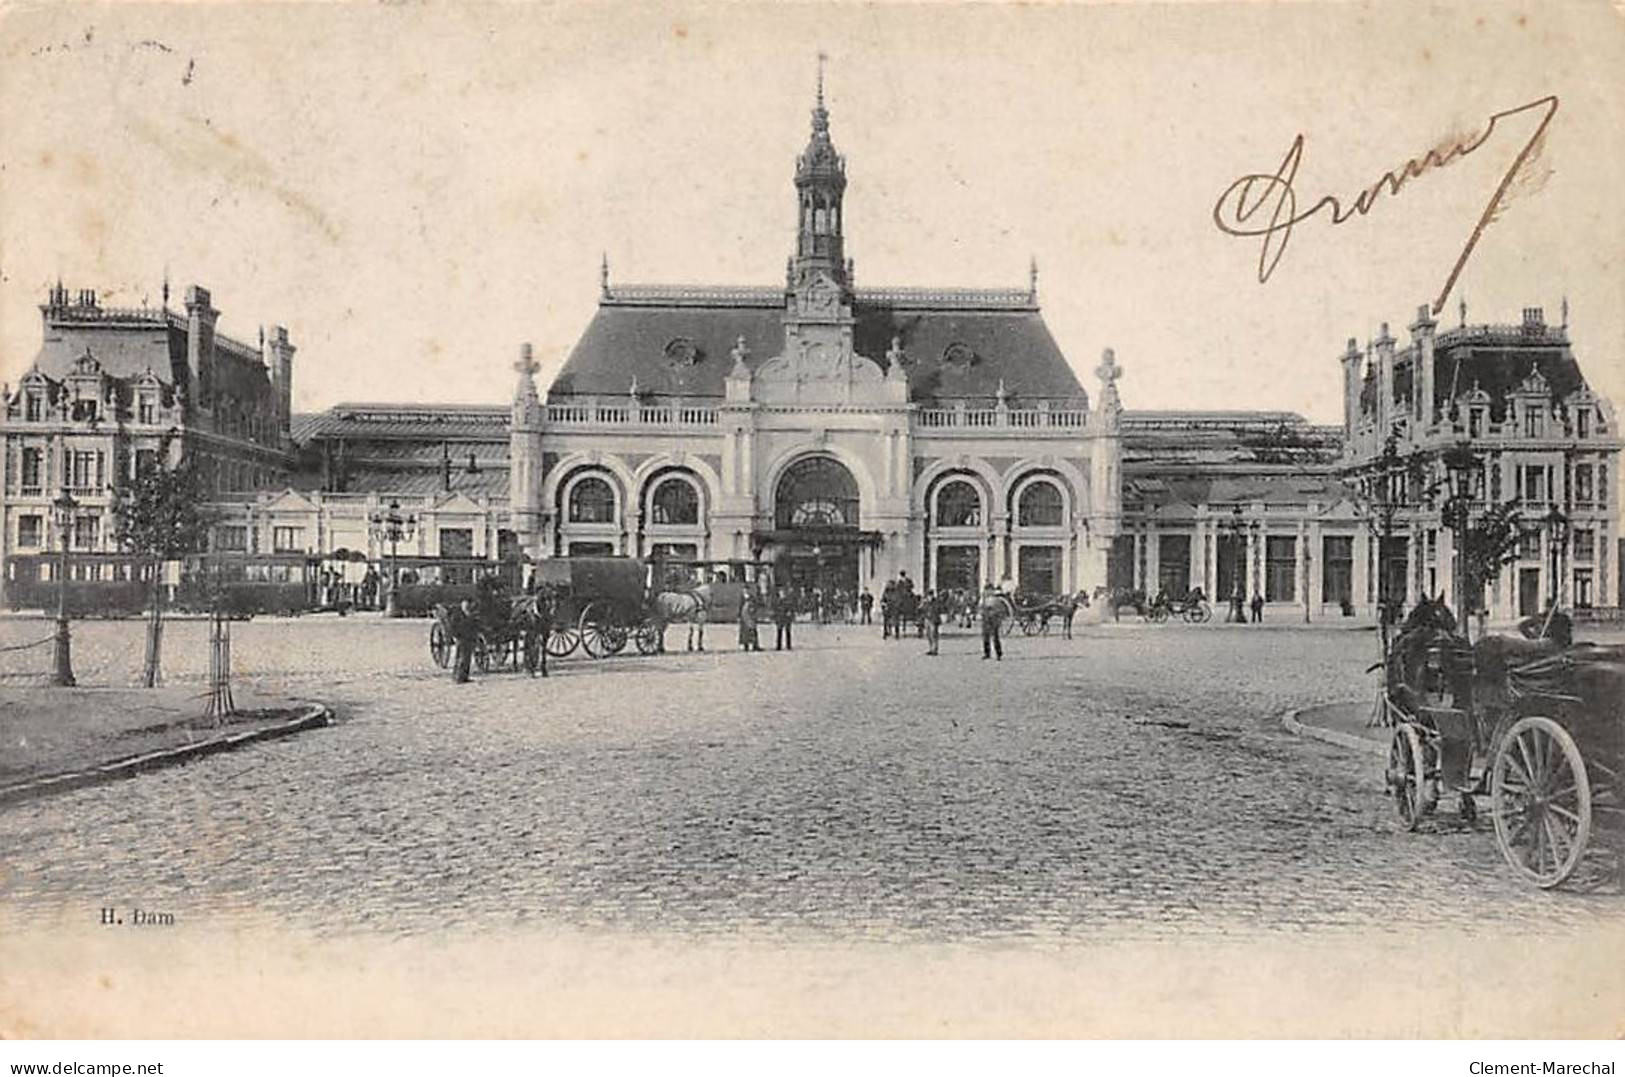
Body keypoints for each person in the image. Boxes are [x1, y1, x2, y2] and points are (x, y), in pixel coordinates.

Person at [450, 597, 480, 683]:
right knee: (461, 658)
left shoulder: (470, 615)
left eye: (468, 605)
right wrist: (458, 636)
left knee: (467, 658)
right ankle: (458, 677)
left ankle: (464, 676)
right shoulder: (457, 616)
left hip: (468, 638)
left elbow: (475, 625)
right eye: (465, 605)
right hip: (462, 638)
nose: (467, 607)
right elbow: (454, 627)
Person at [978, 583, 1006, 660]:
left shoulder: (996, 599)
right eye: (986, 590)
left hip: (993, 618)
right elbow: (980, 607)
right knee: (986, 636)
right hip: (986, 618)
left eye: (988, 590)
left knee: (995, 636)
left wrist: (998, 617)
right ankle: (987, 653)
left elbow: (1000, 610)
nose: (987, 591)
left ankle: (998, 653)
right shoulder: (983, 598)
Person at [738, 588, 761, 652]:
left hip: (751, 616)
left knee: (753, 631)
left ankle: (755, 645)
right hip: (744, 616)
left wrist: (754, 611)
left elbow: (755, 605)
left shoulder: (752, 597)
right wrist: (739, 615)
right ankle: (746, 645)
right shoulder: (742, 598)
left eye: (747, 590)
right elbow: (740, 607)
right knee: (745, 632)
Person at [922, 590, 942, 656]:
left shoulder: (936, 602)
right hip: (927, 619)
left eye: (931, 595)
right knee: (928, 635)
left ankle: (935, 649)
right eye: (928, 595)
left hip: (934, 620)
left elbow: (938, 609)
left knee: (934, 635)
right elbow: (922, 609)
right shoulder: (925, 602)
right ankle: (931, 648)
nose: (929, 597)